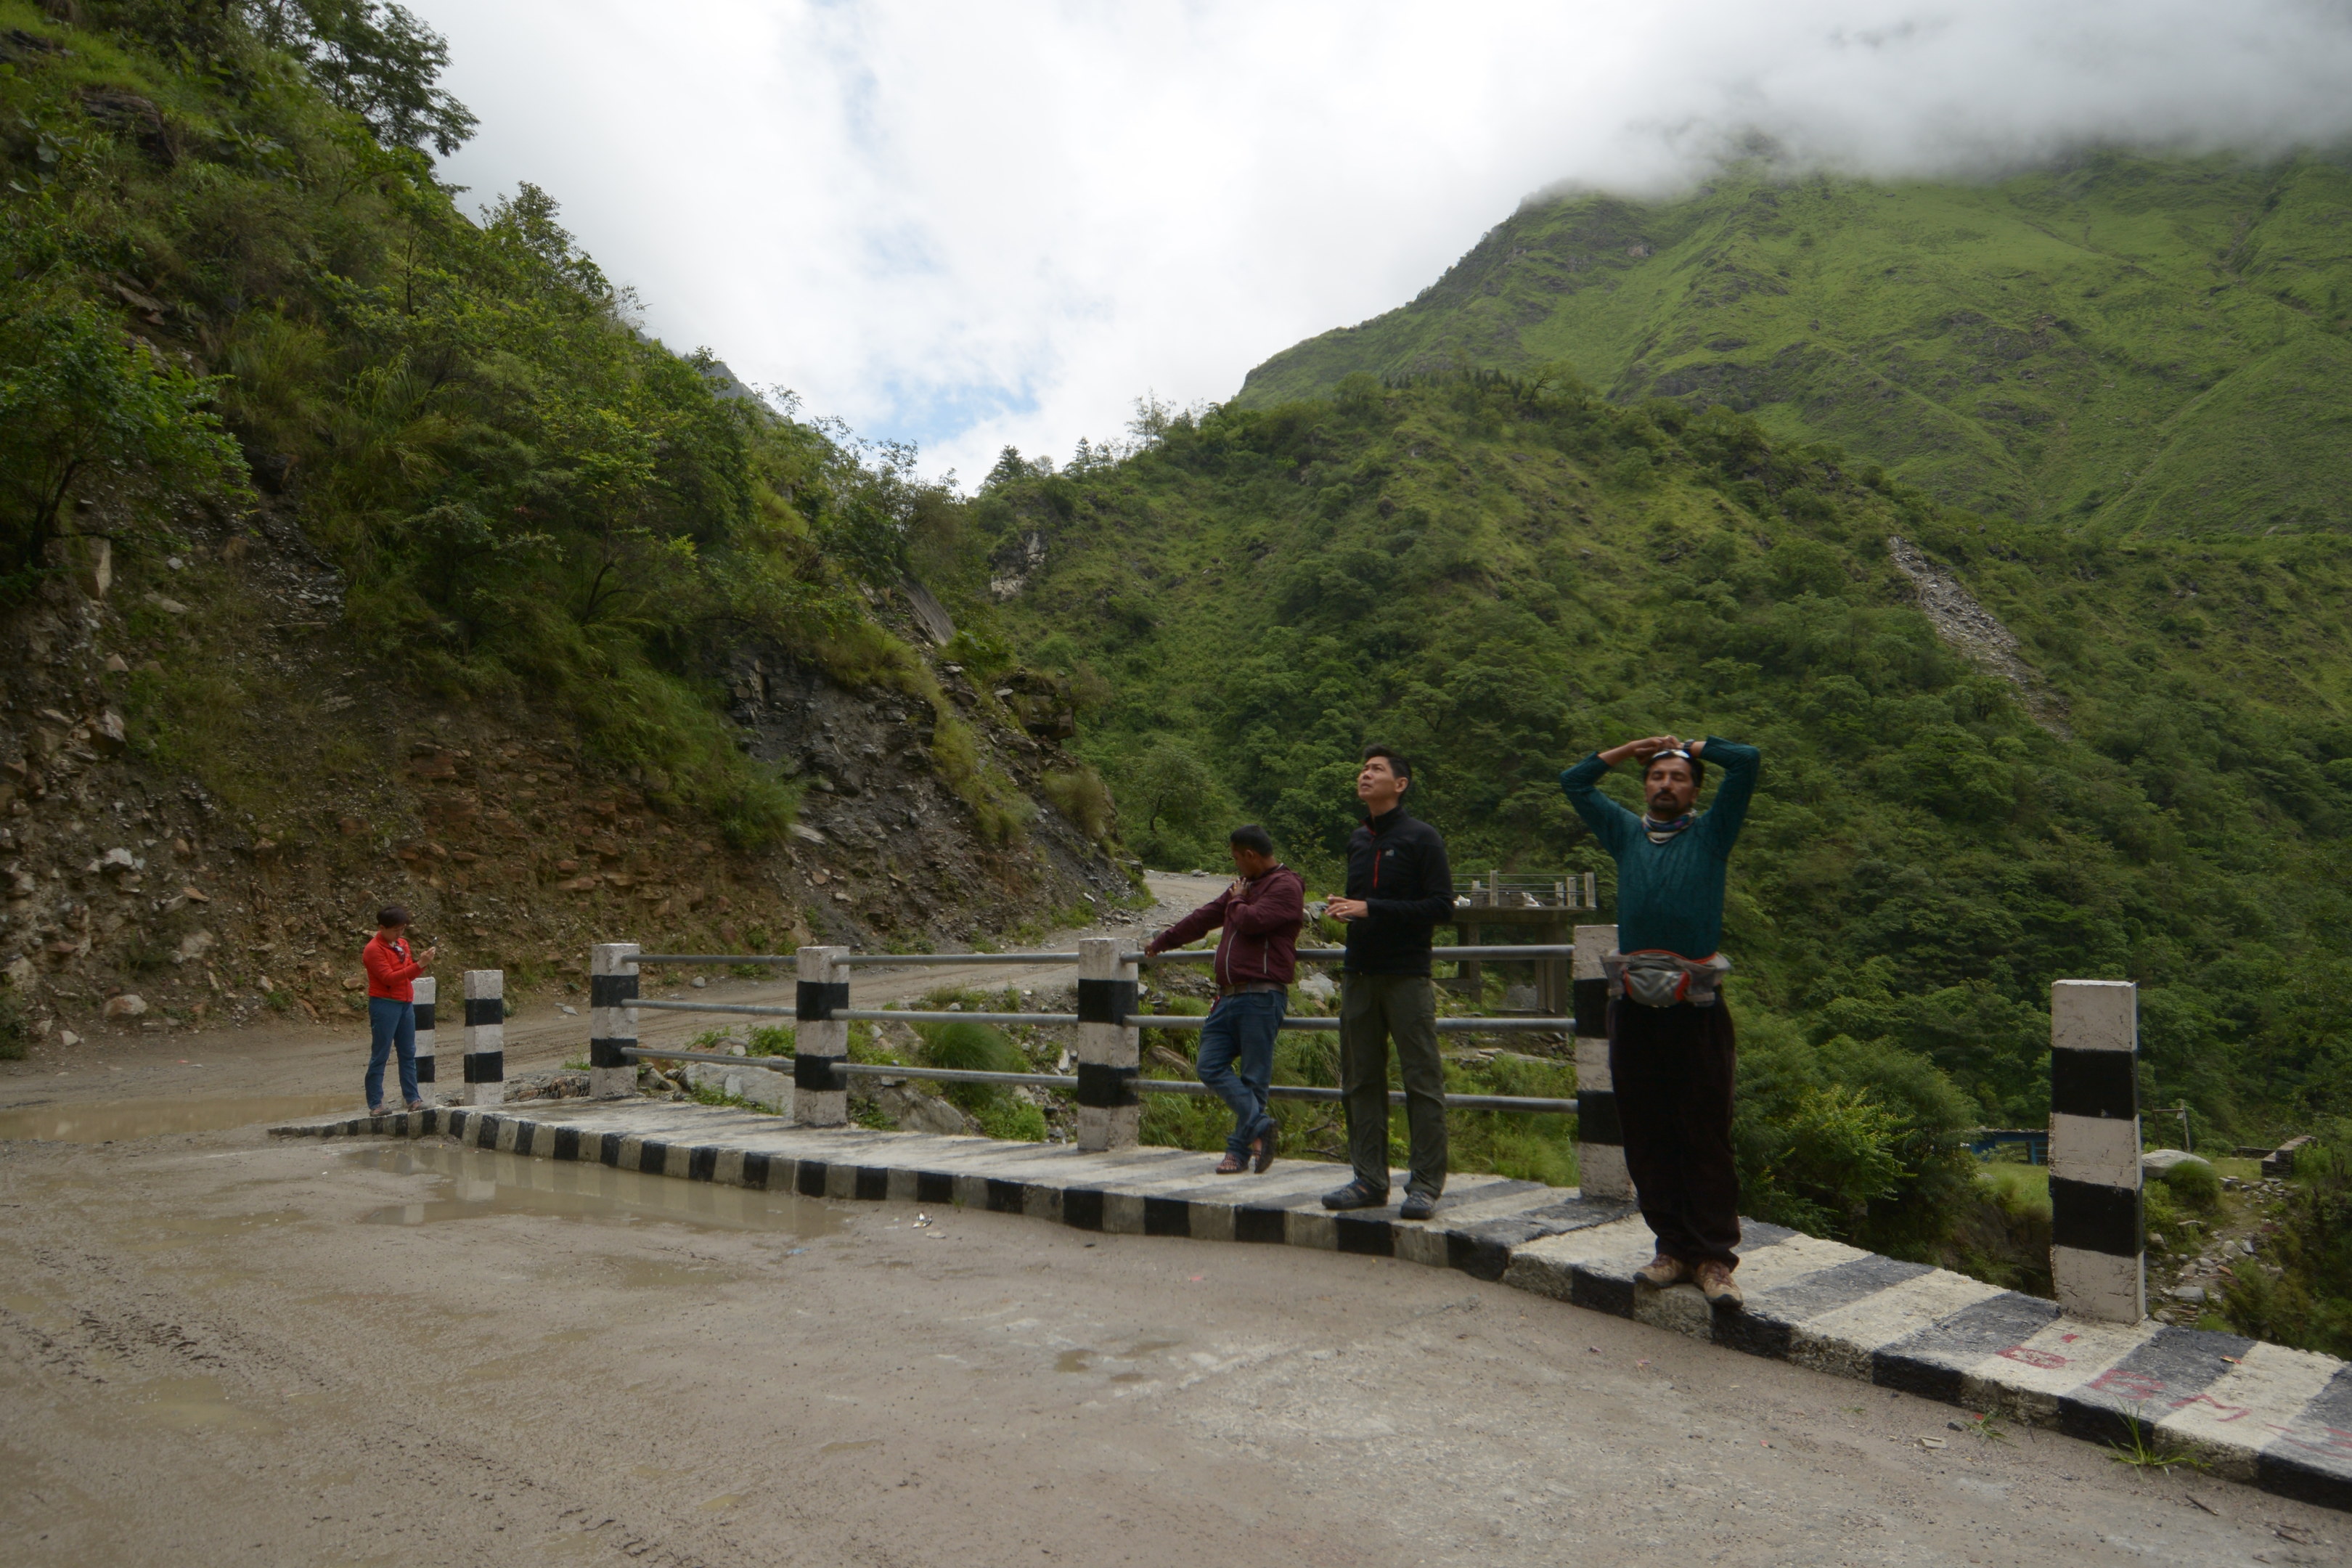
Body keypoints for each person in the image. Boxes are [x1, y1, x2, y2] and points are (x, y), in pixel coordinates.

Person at [1560, 733, 1760, 1307]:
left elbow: (1746, 761)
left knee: (1705, 1132)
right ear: (1645, 785)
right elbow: (1575, 782)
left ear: (1695, 791)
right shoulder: (1625, 833)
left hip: (1695, 1009)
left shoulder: (1712, 835)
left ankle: (1714, 1258)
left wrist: (1694, 744)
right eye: (1657, 775)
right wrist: (1632, 749)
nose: (1665, 784)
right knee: (1646, 1130)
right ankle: (1670, 1248)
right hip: (1633, 1008)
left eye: (1678, 777)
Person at [1322, 746, 1455, 1220]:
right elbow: (1364, 904)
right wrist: (1349, 909)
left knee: (1421, 1080)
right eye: (1363, 768)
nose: (1365, 774)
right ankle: (1369, 1180)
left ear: (1400, 784)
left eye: (1376, 769)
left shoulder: (1422, 837)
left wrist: (1370, 908)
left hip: (1406, 976)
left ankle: (1425, 1186)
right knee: (1360, 1080)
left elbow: (1441, 907)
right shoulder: (1359, 839)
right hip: (1359, 973)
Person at [1145, 825, 1306, 1174]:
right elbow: (1204, 917)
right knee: (1209, 1065)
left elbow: (1251, 921)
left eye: (1236, 857)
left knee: (1253, 1078)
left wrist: (1237, 899)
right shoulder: (1244, 887)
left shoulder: (1286, 886)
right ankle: (1261, 1125)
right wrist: (1164, 941)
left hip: (1262, 995)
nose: (1235, 865)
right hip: (1228, 997)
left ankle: (1238, 1152)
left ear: (1251, 855)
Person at [362, 905, 436, 1114]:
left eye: (402, 929)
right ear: (382, 928)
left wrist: (421, 964)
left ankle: (413, 1099)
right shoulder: (373, 950)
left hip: (405, 1002)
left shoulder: (402, 944)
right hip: (384, 1003)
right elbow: (389, 978)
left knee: (408, 1052)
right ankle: (375, 1104)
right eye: (395, 930)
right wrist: (419, 964)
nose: (400, 934)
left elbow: (407, 975)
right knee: (381, 1053)